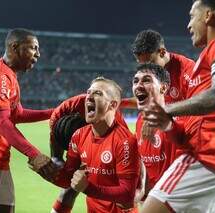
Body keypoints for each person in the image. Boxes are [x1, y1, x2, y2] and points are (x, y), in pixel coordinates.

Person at [140, 0, 215, 212]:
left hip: (204, 159)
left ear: (209, 15)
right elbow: (199, 117)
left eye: (192, 16)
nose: (189, 25)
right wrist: (168, 124)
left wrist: (168, 109)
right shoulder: (208, 58)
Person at [0, 28, 57, 213]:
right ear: (15, 46)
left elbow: (17, 115)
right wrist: (34, 154)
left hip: (0, 161)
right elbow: (2, 122)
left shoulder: (9, 75)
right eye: (33, 48)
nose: (38, 54)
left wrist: (55, 112)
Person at [37, 77, 140, 213]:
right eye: (88, 92)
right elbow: (69, 179)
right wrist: (48, 172)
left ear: (113, 105)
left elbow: (127, 194)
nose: (88, 96)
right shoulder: (79, 136)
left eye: (97, 93)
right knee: (67, 193)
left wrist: (87, 188)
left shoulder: (125, 142)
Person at [48, 94, 129, 213]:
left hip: (108, 146)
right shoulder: (58, 119)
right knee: (69, 189)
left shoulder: (111, 118)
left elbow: (124, 151)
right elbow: (56, 157)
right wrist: (58, 171)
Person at [132, 63, 186, 202]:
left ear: (163, 87)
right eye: (135, 81)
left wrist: (164, 119)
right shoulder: (140, 120)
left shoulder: (180, 119)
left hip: (176, 201)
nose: (138, 85)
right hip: (153, 199)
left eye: (146, 80)